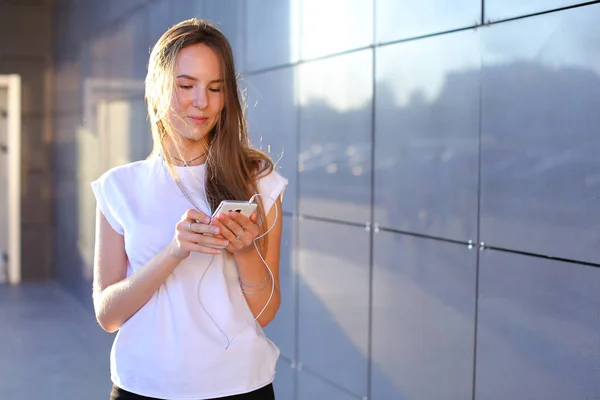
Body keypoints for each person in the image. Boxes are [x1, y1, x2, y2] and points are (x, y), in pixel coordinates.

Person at [91, 18, 287, 400]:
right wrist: (174, 252)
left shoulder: (258, 180)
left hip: (241, 386)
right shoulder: (120, 187)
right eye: (186, 85)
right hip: (142, 387)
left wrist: (245, 250)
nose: (202, 101)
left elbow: (265, 312)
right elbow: (108, 316)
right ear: (158, 87)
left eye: (216, 88)